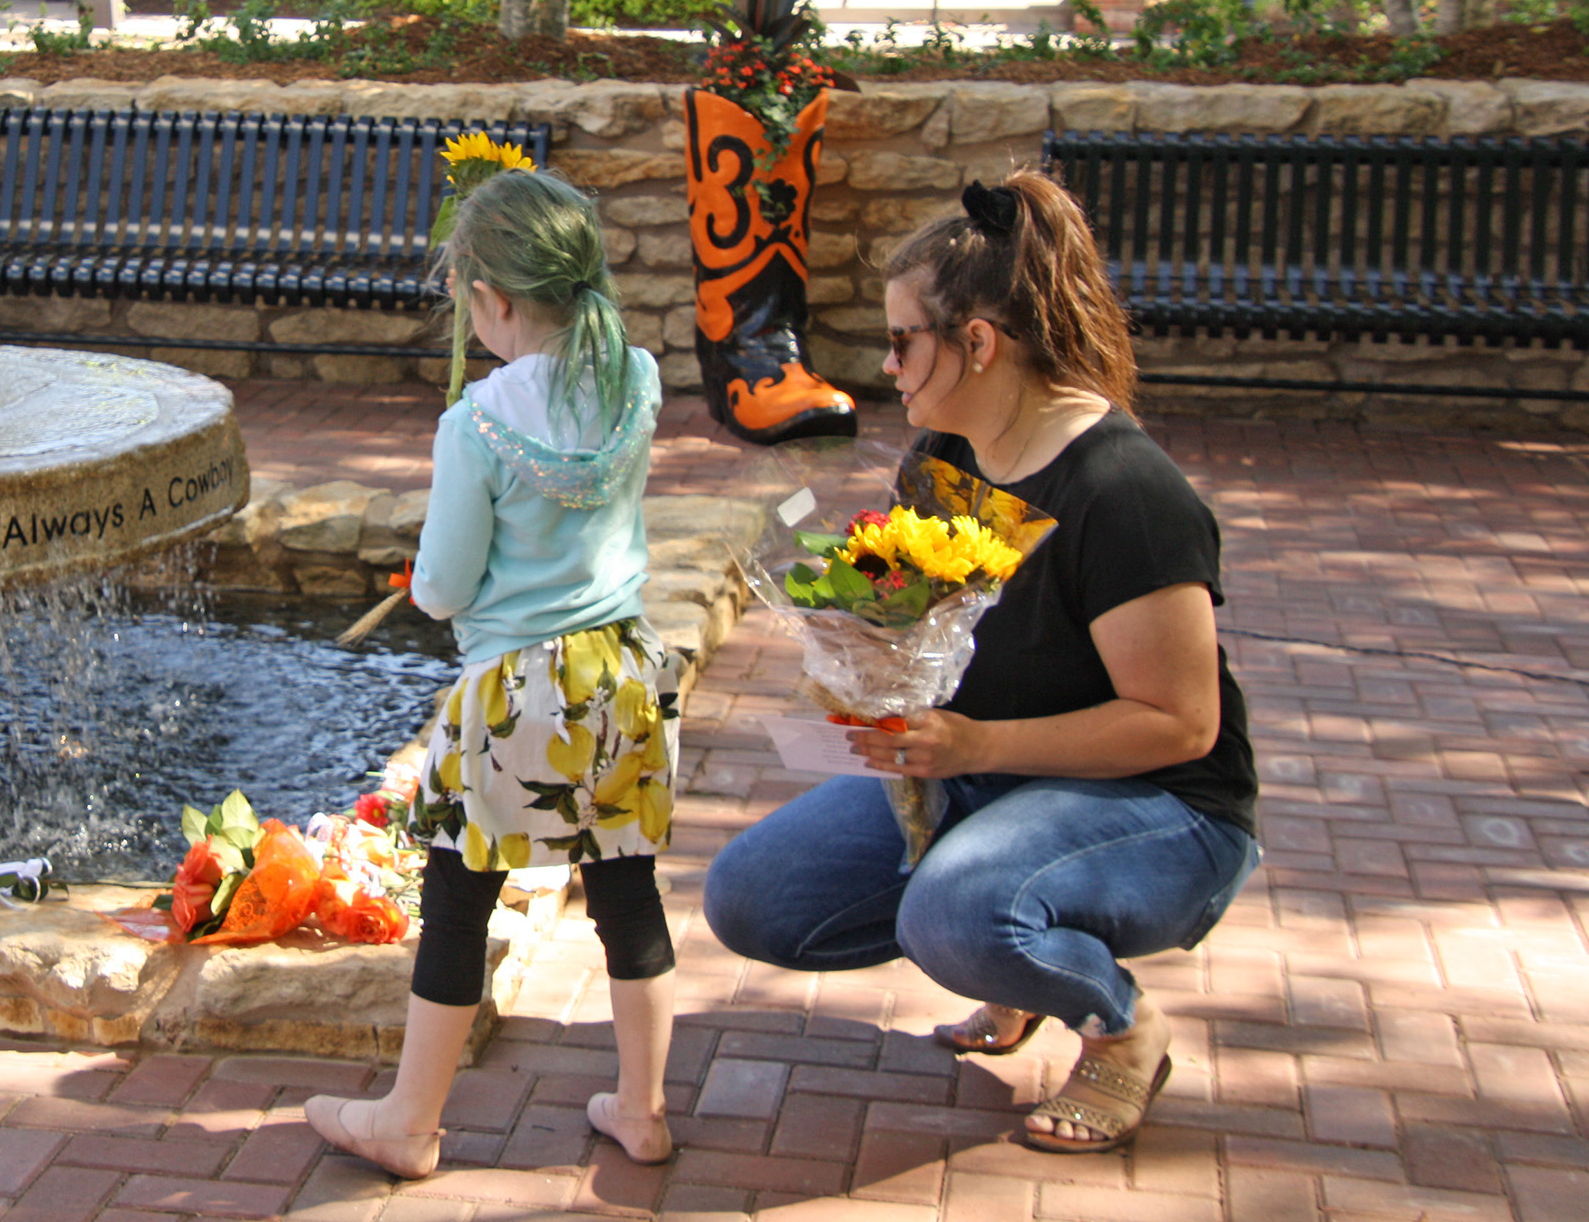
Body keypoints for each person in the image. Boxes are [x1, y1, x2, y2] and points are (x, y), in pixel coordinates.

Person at [702, 171, 1261, 1155]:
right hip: (990, 774)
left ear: (978, 342)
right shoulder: (943, 454)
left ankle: (1120, 1023)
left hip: (1162, 807)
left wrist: (976, 741)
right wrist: (856, 658)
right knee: (751, 896)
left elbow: (1182, 724)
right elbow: (918, 615)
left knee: (954, 911)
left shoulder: (1126, 491)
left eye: (901, 339)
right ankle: (1015, 961)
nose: (887, 363)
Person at [304, 170, 683, 1179]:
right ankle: (642, 1110)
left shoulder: (475, 424)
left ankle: (409, 1120)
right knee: (628, 893)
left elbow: (440, 584)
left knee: (460, 894)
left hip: (517, 689)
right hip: (623, 676)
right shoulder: (635, 378)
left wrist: (434, 583)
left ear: (492, 300)